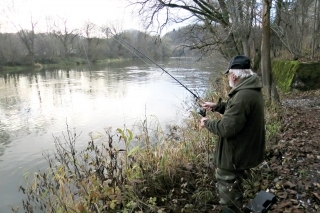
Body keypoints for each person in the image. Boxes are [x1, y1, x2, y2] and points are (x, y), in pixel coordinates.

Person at [200, 55, 266, 213]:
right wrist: (217, 106)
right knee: (235, 189)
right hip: (243, 151)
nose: (228, 77)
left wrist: (206, 123)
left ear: (234, 75)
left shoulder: (242, 96)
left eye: (228, 74)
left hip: (234, 157)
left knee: (229, 197)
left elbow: (226, 128)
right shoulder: (250, 90)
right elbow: (237, 113)